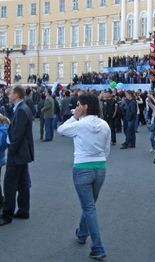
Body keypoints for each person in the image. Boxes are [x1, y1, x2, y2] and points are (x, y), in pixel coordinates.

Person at [58, 93, 111, 260]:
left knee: (89, 207)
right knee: (90, 206)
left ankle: (98, 247)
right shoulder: (104, 125)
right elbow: (107, 150)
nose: (77, 107)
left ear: (85, 106)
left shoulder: (79, 124)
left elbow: (61, 130)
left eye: (79, 104)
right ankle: (82, 233)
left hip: (82, 167)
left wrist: (74, 117)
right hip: (100, 167)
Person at [0, 85, 34, 227]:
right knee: (22, 183)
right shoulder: (22, 108)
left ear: (17, 95)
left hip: (17, 152)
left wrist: (11, 151)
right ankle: (23, 210)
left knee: (9, 183)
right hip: (22, 152)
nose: (8, 95)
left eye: (10, 93)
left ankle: (6, 215)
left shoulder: (21, 110)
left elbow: (18, 135)